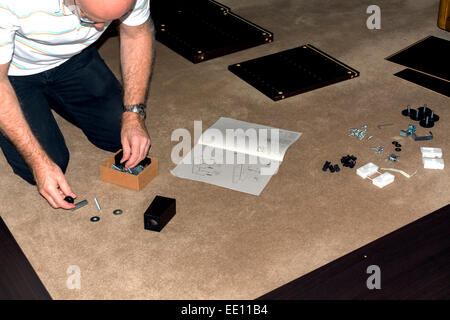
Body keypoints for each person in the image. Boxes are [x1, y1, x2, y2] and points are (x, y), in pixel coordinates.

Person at [0, 0, 153, 209]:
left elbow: (137, 34)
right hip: (12, 72)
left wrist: (134, 114)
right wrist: (39, 162)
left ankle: (53, 96)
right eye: (88, 16)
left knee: (119, 135)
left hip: (73, 58)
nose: (100, 27)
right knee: (47, 164)